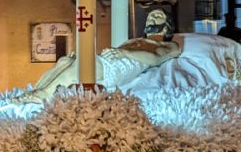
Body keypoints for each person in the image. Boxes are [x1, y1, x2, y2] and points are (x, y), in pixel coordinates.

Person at [25, 9, 181, 102]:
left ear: (167, 26)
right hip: (107, 61)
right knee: (65, 60)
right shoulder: (136, 40)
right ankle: (36, 90)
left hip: (118, 68)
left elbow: (155, 59)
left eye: (157, 16)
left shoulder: (167, 46)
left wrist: (123, 52)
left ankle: (44, 95)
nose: (151, 18)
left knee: (80, 66)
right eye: (151, 16)